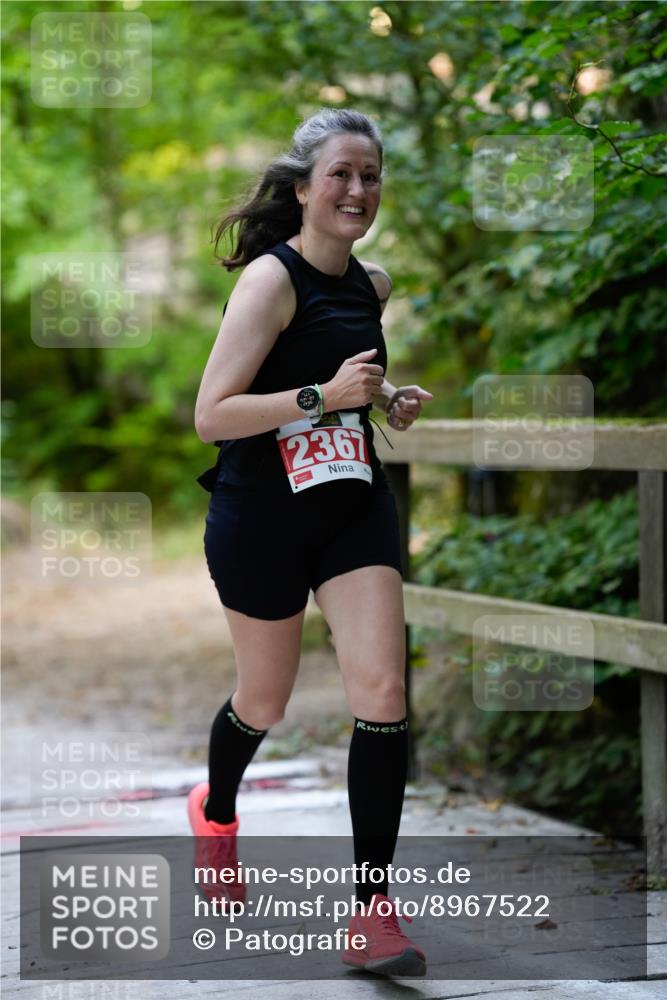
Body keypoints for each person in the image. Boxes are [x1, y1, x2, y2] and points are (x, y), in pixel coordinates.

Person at [188, 107, 433, 978]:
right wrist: (323, 397)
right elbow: (211, 415)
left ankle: (372, 912)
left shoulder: (372, 284)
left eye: (370, 176)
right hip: (261, 515)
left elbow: (345, 378)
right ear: (301, 187)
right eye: (341, 174)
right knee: (265, 701)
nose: (359, 191)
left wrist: (383, 396)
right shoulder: (268, 280)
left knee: (382, 685)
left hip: (348, 504)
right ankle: (215, 811)